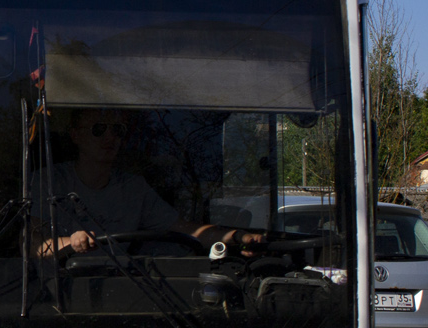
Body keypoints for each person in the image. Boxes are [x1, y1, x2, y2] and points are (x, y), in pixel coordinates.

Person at [41, 107, 264, 258]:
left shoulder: (133, 188)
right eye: (99, 129)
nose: (110, 137)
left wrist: (234, 237)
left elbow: (186, 230)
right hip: (62, 291)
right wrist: (71, 242)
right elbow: (32, 244)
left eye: (117, 130)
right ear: (75, 135)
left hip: (127, 287)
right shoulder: (50, 180)